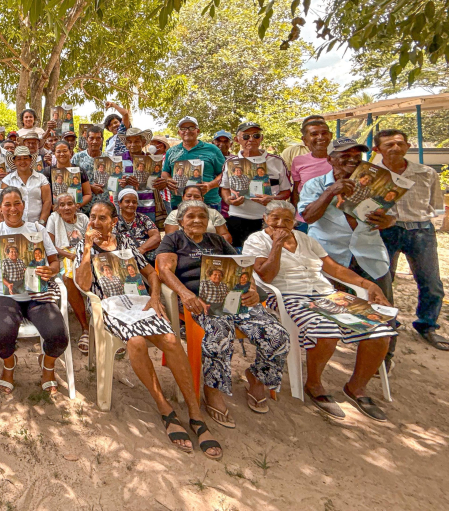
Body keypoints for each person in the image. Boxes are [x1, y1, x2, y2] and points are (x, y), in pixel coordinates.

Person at [75, 201, 223, 459]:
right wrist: (88, 248)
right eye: (93, 218)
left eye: (102, 218)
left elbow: (151, 273)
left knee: (171, 340)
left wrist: (155, 297)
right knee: (136, 343)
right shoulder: (83, 246)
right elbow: (83, 283)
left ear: (113, 221)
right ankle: (164, 407)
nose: (96, 223)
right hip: (110, 306)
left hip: (140, 302)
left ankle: (195, 414)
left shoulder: (126, 244)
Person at [243, 201, 396, 420]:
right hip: (289, 296)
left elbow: (333, 269)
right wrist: (276, 245)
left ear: (295, 222)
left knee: (379, 329)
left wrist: (368, 284)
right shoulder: (257, 240)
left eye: (287, 220)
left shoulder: (306, 240)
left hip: (326, 294)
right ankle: (314, 385)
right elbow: (265, 276)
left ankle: (356, 387)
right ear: (265, 218)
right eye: (275, 218)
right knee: (326, 330)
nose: (280, 224)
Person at [155, 201, 290, 428]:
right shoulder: (174, 239)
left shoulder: (217, 240)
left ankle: (257, 377)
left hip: (234, 296)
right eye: (191, 216)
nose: (197, 220)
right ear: (180, 221)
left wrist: (254, 292)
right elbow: (164, 269)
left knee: (277, 333)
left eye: (202, 216)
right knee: (220, 333)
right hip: (201, 302)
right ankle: (213, 389)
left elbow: (242, 267)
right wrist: (185, 293)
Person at [0, 187, 67, 396]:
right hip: (5, 295)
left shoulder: (37, 229)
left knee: (59, 335)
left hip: (37, 294)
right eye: (7, 204)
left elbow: (54, 261)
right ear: (1, 208)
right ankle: (9, 363)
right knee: (1, 335)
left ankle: (48, 366)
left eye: (17, 203)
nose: (12, 209)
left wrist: (52, 270)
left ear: (24, 205)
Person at [298, 138, 395, 326]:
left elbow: (393, 216)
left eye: (357, 156)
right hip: (330, 258)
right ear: (330, 159)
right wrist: (330, 192)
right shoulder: (315, 185)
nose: (352, 160)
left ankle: (385, 354)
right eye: (345, 155)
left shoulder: (377, 186)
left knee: (381, 313)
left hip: (370, 255)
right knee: (330, 314)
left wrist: (389, 221)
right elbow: (308, 217)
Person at [372, 129, 448, 351]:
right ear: (377, 150)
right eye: (389, 145)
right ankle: (387, 324)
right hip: (386, 232)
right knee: (384, 281)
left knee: (431, 281)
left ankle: (427, 325)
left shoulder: (425, 173)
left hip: (421, 231)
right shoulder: (373, 175)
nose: (395, 148)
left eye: (400, 143)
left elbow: (434, 204)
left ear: (407, 146)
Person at [220, 121, 292, 248]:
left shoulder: (276, 161)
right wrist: (229, 200)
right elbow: (224, 188)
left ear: (261, 138)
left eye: (256, 135)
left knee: (266, 253)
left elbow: (286, 191)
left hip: (268, 219)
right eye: (246, 136)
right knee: (239, 254)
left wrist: (272, 199)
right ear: (237, 139)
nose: (251, 139)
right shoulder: (230, 162)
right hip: (237, 217)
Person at [47, 192, 91, 352]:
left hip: (85, 255)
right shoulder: (53, 219)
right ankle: (85, 327)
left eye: (70, 203)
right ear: (57, 208)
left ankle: (103, 324)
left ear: (76, 205)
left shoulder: (84, 219)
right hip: (64, 256)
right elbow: (50, 245)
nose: (66, 207)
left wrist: (81, 255)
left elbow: (90, 241)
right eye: (62, 205)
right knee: (67, 278)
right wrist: (69, 255)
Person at [156, 116, 225, 210]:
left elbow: (225, 173)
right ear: (179, 132)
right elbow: (165, 172)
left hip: (209, 202)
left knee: (211, 225)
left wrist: (210, 185)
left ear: (198, 131)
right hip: (178, 202)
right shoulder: (171, 151)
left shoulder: (212, 149)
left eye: (191, 128)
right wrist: (168, 180)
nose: (187, 131)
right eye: (183, 128)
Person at [290, 117, 334, 230]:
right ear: (305, 140)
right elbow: (296, 190)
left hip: (334, 220)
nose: (320, 137)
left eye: (324, 133)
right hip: (304, 219)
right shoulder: (298, 161)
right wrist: (294, 216)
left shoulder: (343, 160)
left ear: (331, 135)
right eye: (314, 134)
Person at [163, 185, 232, 242]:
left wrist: (212, 246)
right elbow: (170, 239)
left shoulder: (213, 213)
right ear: (182, 198)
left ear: (202, 199)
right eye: (189, 196)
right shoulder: (174, 214)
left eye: (197, 196)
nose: (192, 199)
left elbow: (225, 235)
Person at [3, 146, 51, 225]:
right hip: (15, 225)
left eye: (25, 158)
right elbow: (4, 204)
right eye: (19, 159)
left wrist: (41, 221)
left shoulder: (41, 178)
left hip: (37, 224)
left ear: (30, 160)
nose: (22, 161)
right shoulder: (7, 181)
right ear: (14, 161)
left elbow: (47, 201)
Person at [114, 188, 162, 259]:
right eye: (127, 201)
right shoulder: (114, 221)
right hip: (123, 256)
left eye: (134, 202)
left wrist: (141, 250)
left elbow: (156, 237)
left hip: (144, 255)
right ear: (119, 203)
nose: (131, 204)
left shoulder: (143, 218)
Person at [72, 124, 110, 211]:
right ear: (86, 139)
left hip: (103, 204)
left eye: (98, 138)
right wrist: (90, 187)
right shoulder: (77, 157)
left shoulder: (107, 159)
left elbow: (113, 182)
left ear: (102, 140)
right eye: (91, 138)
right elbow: (71, 181)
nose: (94, 141)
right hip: (83, 206)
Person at [47, 140, 92, 208]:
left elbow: (88, 194)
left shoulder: (79, 171)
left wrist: (77, 206)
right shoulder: (47, 171)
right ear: (54, 154)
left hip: (75, 212)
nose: (62, 154)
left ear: (70, 152)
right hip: (54, 212)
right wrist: (53, 207)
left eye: (65, 151)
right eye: (58, 152)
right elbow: (44, 196)